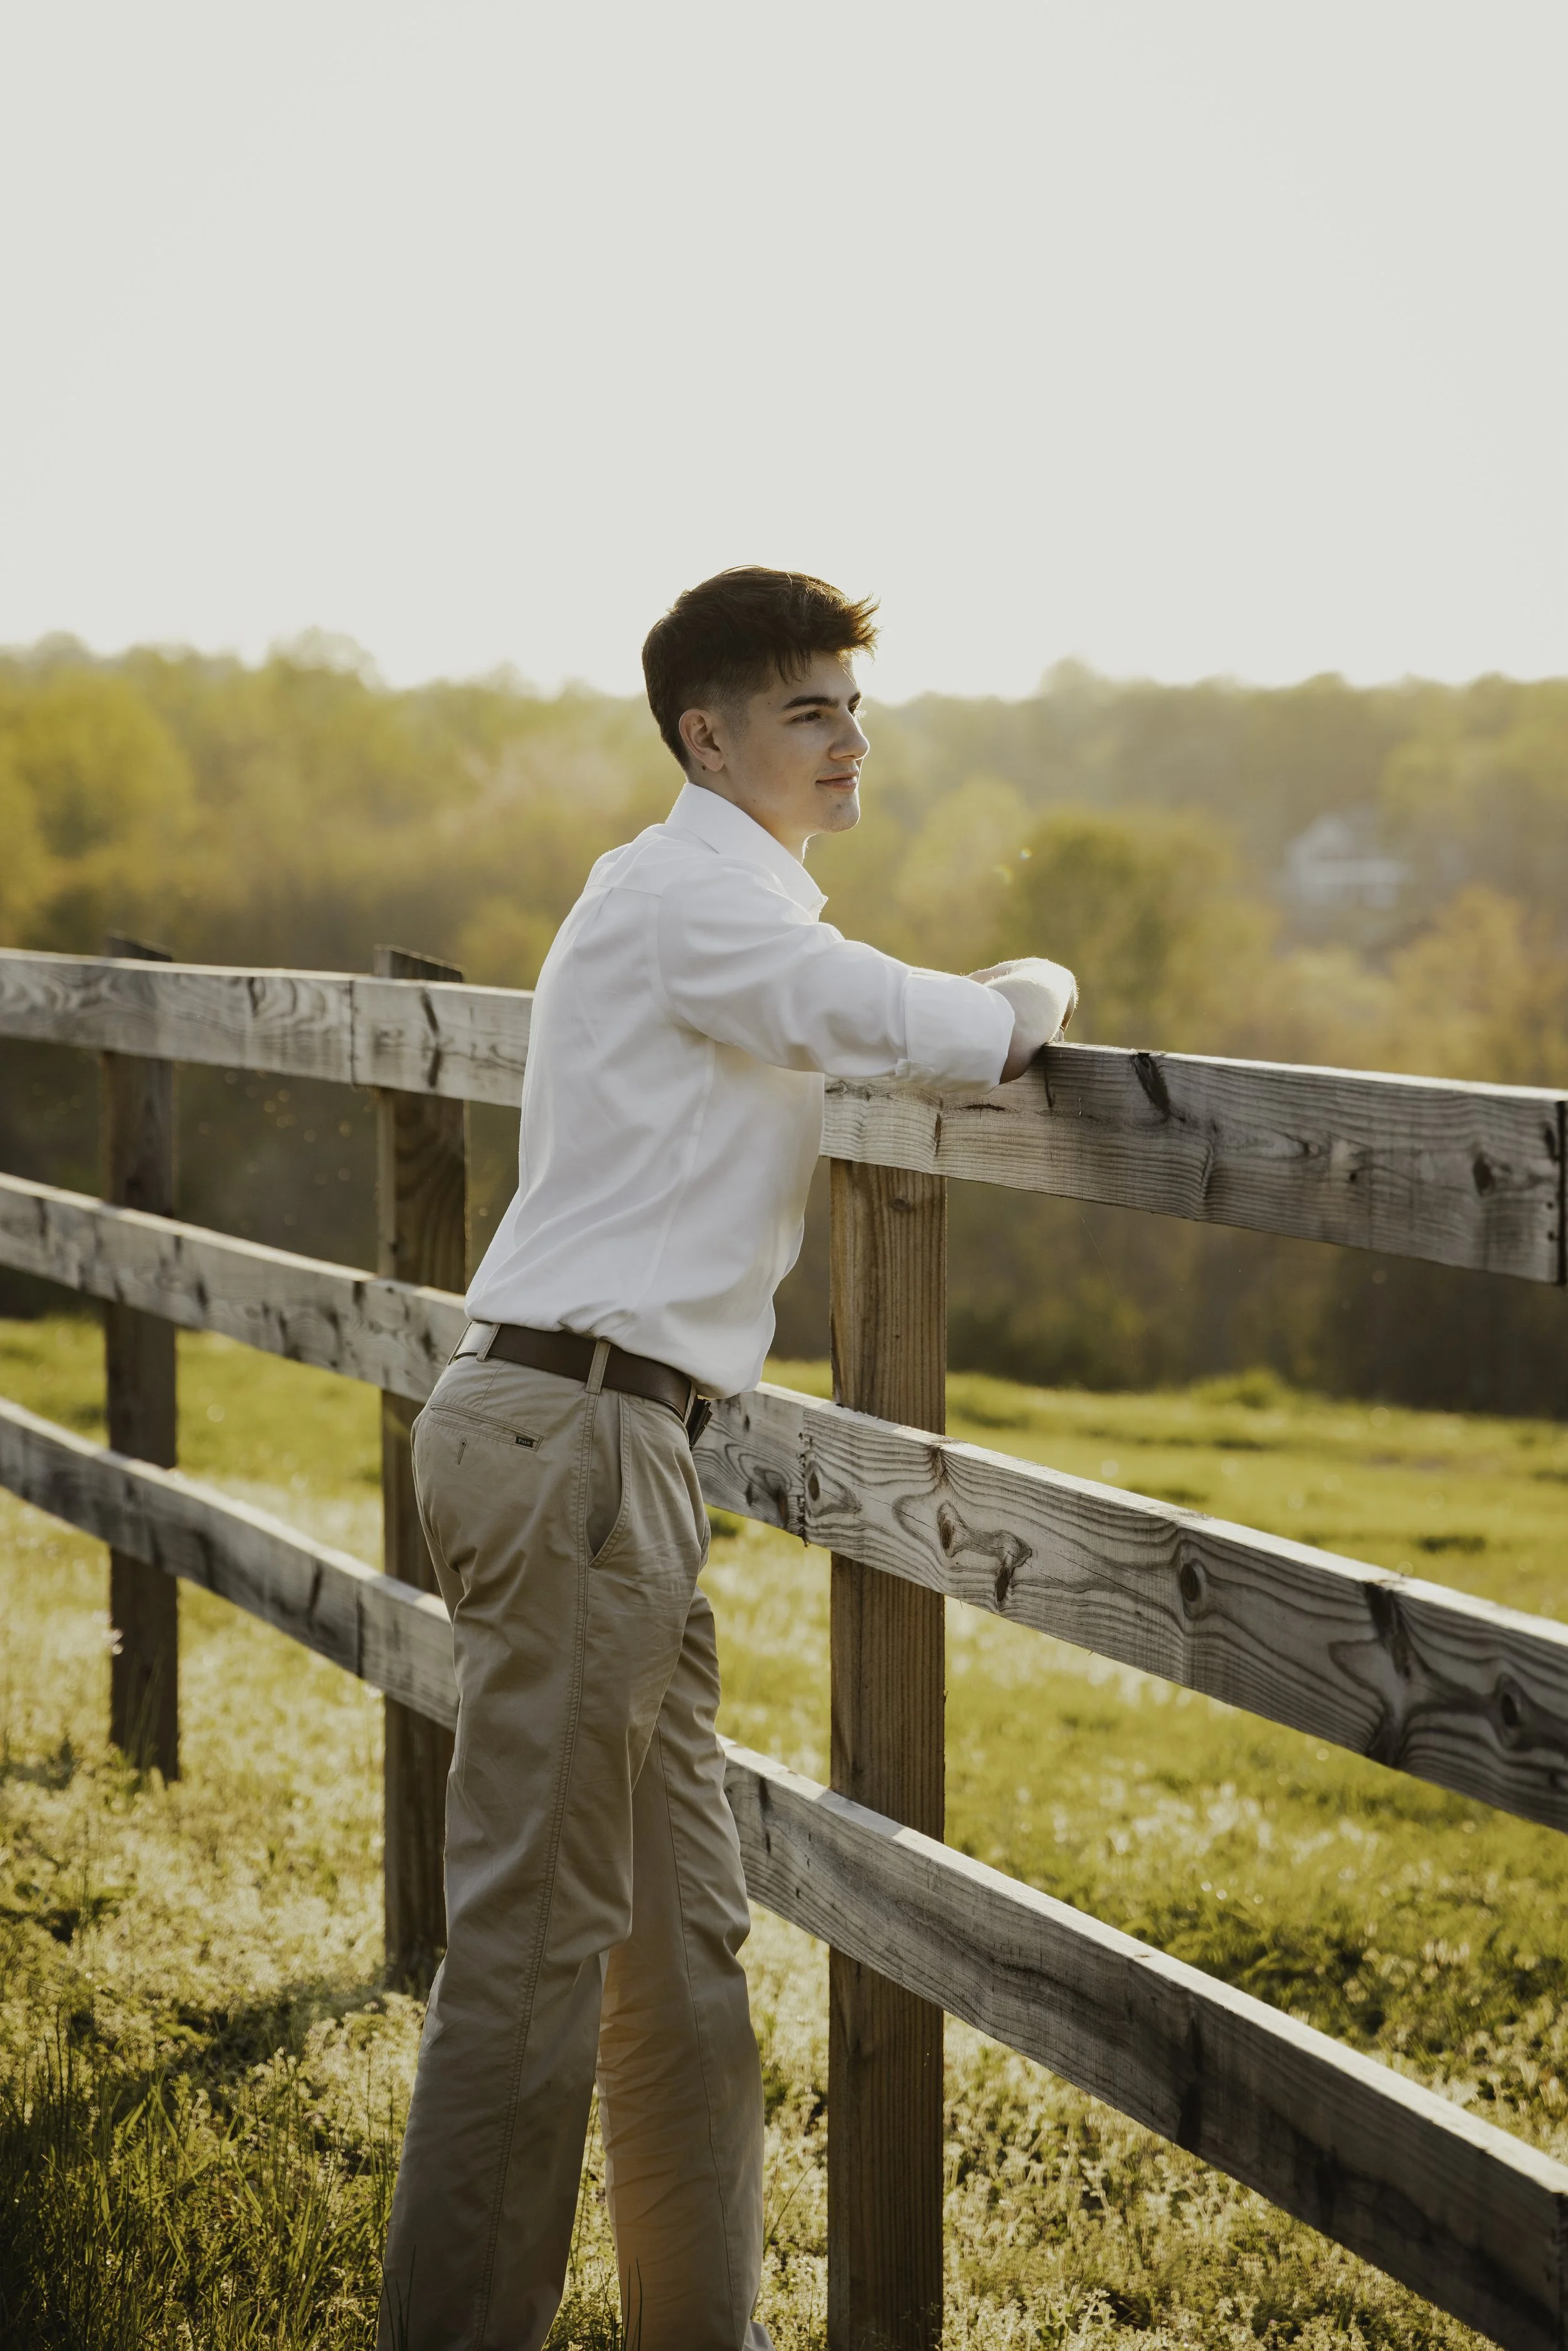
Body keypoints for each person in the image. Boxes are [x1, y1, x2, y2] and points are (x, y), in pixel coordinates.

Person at [379, 567, 1076, 2351]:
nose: (848, 740)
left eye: (851, 705)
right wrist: (1030, 983)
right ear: (709, 737)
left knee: (674, 1947)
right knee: (534, 1950)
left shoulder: (697, 891)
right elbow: (931, 1029)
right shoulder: (695, 896)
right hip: (579, 1442)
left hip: (614, 1448)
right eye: (805, 712)